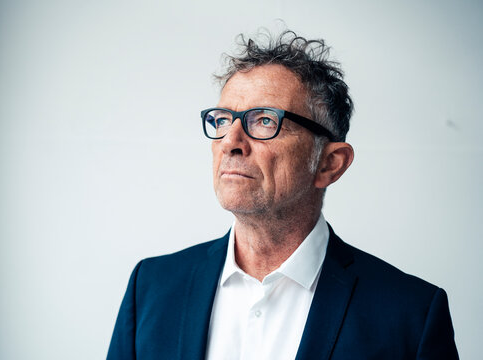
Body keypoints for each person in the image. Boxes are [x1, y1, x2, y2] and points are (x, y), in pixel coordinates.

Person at [107, 30, 459, 360]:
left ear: (329, 164)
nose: (230, 141)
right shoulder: (151, 288)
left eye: (263, 120)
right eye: (222, 120)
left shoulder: (411, 315)